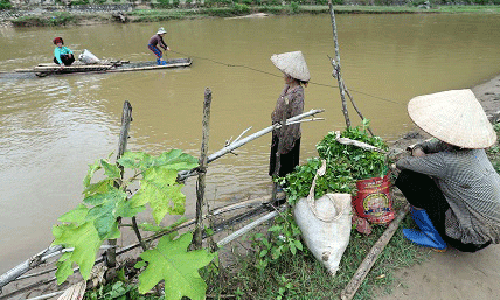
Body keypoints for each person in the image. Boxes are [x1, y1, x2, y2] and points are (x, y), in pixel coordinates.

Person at [395, 89, 500, 252]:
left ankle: (433, 237)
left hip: (470, 240)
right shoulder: (474, 148)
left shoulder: (449, 162)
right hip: (488, 232)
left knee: (408, 179)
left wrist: (417, 152)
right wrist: (420, 147)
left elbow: (403, 163)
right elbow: (432, 145)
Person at [269, 51, 310, 178]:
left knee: (286, 167)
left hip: (288, 134)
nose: (284, 76)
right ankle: (276, 183)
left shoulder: (298, 93)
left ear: (292, 76)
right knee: (276, 164)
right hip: (278, 130)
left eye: (286, 74)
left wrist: (288, 141)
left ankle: (283, 191)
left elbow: (296, 119)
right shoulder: (287, 88)